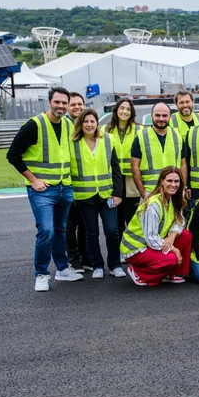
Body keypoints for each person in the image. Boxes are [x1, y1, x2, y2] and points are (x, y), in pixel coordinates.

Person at [7, 87, 83, 291]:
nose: (61, 106)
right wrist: (33, 179)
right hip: (43, 190)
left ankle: (62, 269)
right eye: (57, 102)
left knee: (60, 230)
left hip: (64, 187)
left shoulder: (68, 124)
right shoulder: (34, 125)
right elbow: (13, 155)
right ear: (49, 102)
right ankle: (41, 274)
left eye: (64, 103)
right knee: (46, 231)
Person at [71, 108, 125, 279]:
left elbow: (116, 168)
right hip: (85, 196)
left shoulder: (108, 139)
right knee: (91, 232)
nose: (89, 124)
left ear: (97, 123)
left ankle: (115, 265)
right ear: (81, 123)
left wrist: (118, 194)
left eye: (92, 121)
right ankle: (97, 265)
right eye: (85, 121)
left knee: (112, 230)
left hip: (107, 195)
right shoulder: (73, 142)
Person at [121, 166, 192, 286]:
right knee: (172, 258)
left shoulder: (174, 199)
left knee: (186, 235)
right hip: (135, 248)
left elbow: (180, 221)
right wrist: (174, 249)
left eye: (176, 181)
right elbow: (151, 239)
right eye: (169, 181)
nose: (173, 184)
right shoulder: (153, 205)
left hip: (153, 243)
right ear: (161, 182)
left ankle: (171, 274)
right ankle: (139, 272)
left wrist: (172, 236)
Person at [131, 102, 187, 199]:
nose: (161, 119)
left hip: (174, 191)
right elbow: (135, 167)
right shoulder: (141, 137)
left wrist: (182, 190)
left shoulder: (177, 136)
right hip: (150, 191)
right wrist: (143, 193)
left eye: (165, 115)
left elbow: (183, 165)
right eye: (157, 115)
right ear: (151, 115)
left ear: (170, 117)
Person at [104, 97, 142, 239]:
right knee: (115, 219)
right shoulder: (105, 129)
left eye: (128, 109)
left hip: (132, 181)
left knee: (132, 218)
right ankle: (118, 251)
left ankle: (133, 251)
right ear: (116, 110)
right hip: (112, 181)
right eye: (122, 108)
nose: (125, 111)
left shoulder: (140, 129)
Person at [64, 91, 90, 273]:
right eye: (73, 104)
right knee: (69, 226)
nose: (77, 107)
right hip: (67, 185)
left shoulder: (87, 128)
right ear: (66, 106)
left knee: (85, 226)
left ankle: (85, 257)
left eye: (80, 104)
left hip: (85, 188)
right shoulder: (65, 127)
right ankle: (73, 260)